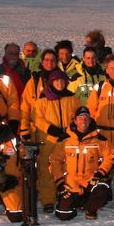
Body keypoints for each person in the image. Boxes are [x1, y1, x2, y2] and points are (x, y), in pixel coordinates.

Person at [49, 106, 114, 220]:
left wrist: (99, 173)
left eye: (86, 118)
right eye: (80, 118)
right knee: (63, 215)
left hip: (90, 182)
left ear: (90, 120)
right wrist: (60, 184)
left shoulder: (99, 139)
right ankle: (76, 204)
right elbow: (54, 161)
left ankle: (90, 209)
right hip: (71, 185)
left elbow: (111, 156)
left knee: (103, 190)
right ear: (75, 120)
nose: (83, 120)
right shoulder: (64, 140)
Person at [33, 69, 80, 211]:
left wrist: (70, 131)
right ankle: (48, 199)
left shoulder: (72, 98)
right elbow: (37, 118)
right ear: (51, 82)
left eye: (62, 80)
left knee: (68, 168)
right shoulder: (42, 99)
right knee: (46, 169)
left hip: (67, 139)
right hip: (49, 140)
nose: (59, 83)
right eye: (56, 80)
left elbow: (78, 116)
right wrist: (50, 129)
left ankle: (66, 195)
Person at [18, 48, 59, 140]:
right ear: (42, 62)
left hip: (56, 130)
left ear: (57, 62)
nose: (50, 63)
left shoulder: (62, 82)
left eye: (53, 60)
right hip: (36, 130)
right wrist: (24, 128)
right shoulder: (34, 82)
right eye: (47, 60)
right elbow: (25, 107)